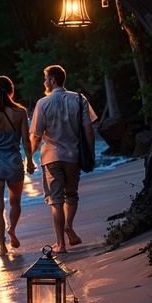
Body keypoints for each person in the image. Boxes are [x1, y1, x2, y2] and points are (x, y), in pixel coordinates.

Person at [29, 64, 97, 254]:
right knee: (72, 195)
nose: (44, 82)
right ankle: (68, 225)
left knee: (56, 201)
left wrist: (28, 157)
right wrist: (91, 154)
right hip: (73, 157)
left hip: (51, 157)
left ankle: (61, 244)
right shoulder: (79, 99)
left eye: (45, 78)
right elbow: (89, 130)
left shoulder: (43, 103)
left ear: (52, 80)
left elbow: (36, 135)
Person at [0, 75, 36, 257]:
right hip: (14, 163)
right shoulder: (20, 112)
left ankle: (2, 247)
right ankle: (12, 229)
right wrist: (29, 160)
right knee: (15, 203)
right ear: (12, 90)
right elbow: (26, 140)